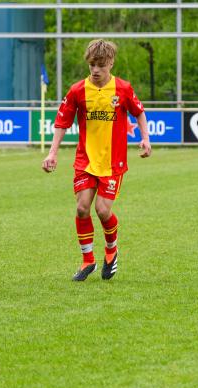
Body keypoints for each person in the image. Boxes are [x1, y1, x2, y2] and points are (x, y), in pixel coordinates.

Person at [42, 39, 152, 281]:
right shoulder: (77, 90)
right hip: (85, 161)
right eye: (92, 64)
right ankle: (87, 260)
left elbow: (139, 112)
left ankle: (111, 251)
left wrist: (145, 138)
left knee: (102, 210)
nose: (95, 69)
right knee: (82, 208)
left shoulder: (122, 88)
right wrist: (52, 152)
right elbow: (62, 122)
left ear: (110, 63)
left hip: (113, 163)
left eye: (101, 64)